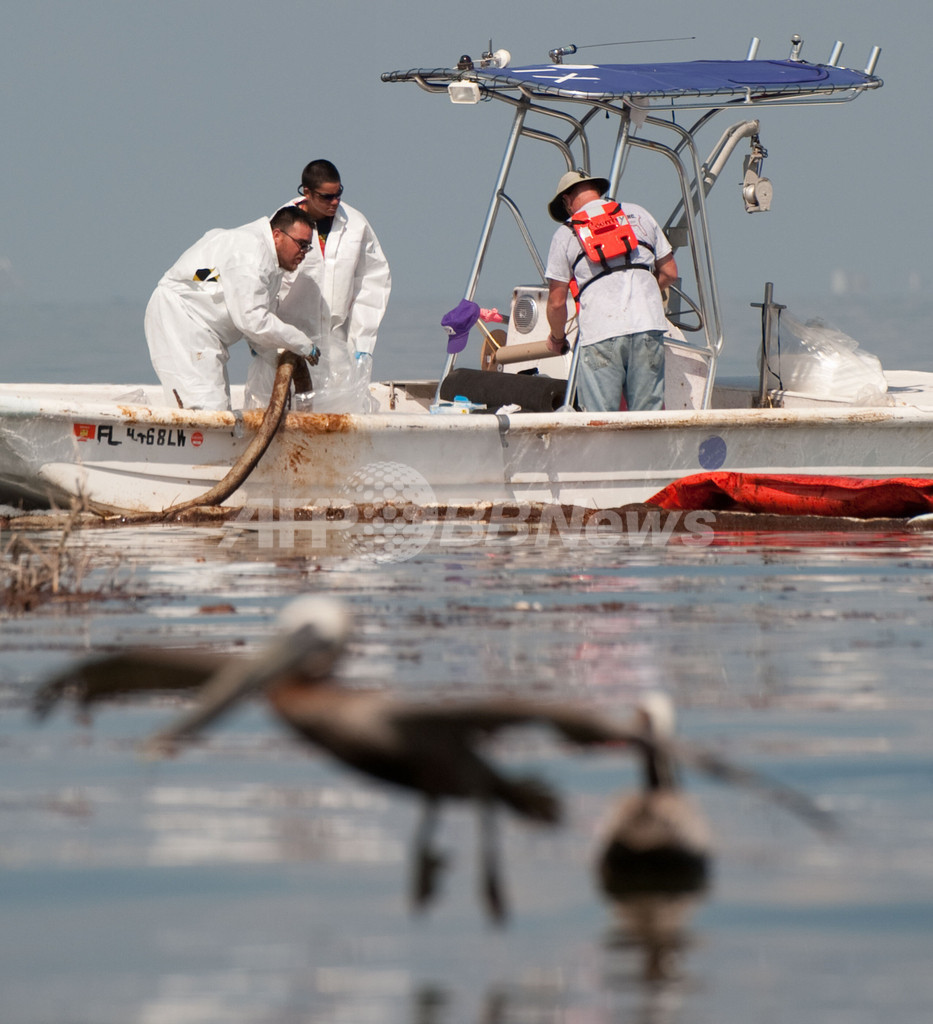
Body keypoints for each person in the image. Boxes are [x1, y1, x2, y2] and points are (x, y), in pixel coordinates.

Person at [244, 158, 391, 411]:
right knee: (277, 416)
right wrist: (260, 344)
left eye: (339, 194)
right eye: (326, 197)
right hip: (285, 347)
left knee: (338, 418)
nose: (335, 202)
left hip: (336, 346)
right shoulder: (283, 226)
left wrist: (363, 344)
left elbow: (374, 280)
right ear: (307, 192)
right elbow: (260, 285)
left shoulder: (356, 225)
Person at [145, 206, 320, 411]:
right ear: (277, 235)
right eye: (301, 244)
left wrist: (280, 362)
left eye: (308, 247)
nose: (304, 253)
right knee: (206, 410)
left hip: (204, 333)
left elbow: (259, 334)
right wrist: (301, 343)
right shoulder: (251, 253)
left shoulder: (270, 266)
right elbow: (253, 321)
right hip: (181, 321)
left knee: (217, 409)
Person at [544, 170, 678, 412]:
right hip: (648, 324)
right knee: (647, 421)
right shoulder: (639, 213)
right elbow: (669, 272)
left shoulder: (565, 233)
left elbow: (556, 302)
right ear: (597, 190)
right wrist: (644, 293)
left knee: (599, 423)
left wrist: (557, 338)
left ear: (566, 200)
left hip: (600, 332)